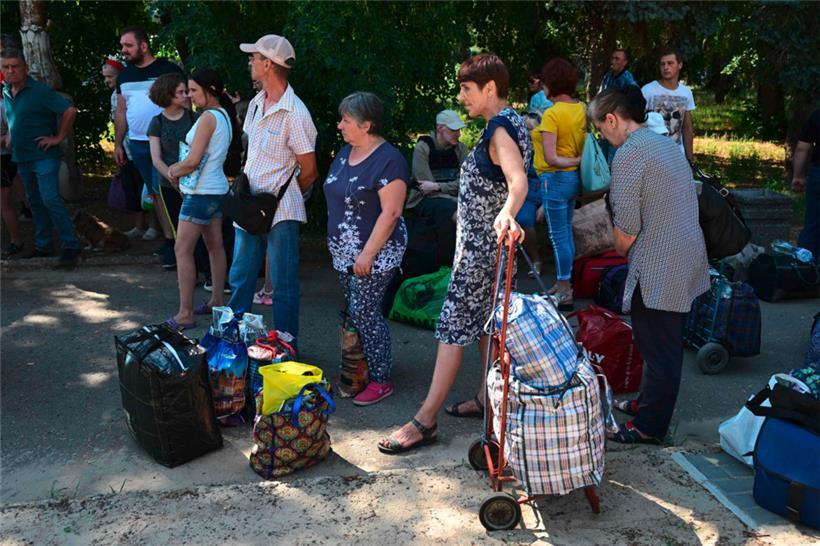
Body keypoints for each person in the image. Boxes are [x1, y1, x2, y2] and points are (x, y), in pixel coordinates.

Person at [379, 53, 532, 454]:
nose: (462, 97)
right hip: (487, 250)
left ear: (490, 89)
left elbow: (518, 183)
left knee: (451, 330)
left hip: (483, 253)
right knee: (487, 328)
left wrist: (504, 213)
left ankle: (424, 421)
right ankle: (486, 399)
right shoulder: (509, 122)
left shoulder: (500, 129)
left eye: (467, 89)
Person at [588, 86, 709, 444]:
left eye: (601, 128)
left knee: (660, 348)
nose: (602, 136)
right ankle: (647, 404)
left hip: (660, 263)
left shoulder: (628, 155)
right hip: (684, 254)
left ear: (612, 119)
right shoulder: (665, 144)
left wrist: (616, 245)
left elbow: (625, 231)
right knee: (658, 340)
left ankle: (649, 427)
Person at [228, 34, 318, 350]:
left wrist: (287, 193)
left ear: (268, 64)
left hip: (281, 209)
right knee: (239, 279)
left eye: (254, 57)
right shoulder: (254, 104)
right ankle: (232, 346)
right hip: (248, 204)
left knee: (282, 286)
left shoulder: (296, 113)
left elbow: (309, 171)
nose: (250, 62)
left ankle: (284, 349)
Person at [325, 92, 409, 406]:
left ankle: (381, 378)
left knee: (364, 312)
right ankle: (357, 371)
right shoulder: (345, 152)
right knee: (354, 312)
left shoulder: (389, 159)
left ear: (367, 124)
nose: (340, 125)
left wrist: (368, 255)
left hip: (375, 254)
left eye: (346, 120)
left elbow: (391, 212)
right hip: (345, 255)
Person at [163, 69, 231, 331]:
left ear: (209, 89)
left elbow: (192, 161)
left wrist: (172, 171)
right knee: (215, 245)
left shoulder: (207, 119)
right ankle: (216, 300)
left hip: (200, 193)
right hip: (216, 190)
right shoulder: (223, 115)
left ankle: (184, 313)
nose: (189, 96)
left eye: (192, 90)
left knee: (182, 250)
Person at [1, 48, 81, 266]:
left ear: (25, 68)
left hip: (44, 155)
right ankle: (43, 245)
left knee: (50, 199)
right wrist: (10, 134)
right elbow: (15, 118)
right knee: (34, 201)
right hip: (22, 156)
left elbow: (70, 111)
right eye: (6, 67)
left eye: (15, 66)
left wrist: (58, 137)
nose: (11, 71)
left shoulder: (39, 91)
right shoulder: (7, 91)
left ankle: (71, 245)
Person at [114, 26, 185, 244]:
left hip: (167, 143)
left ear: (143, 46)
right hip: (137, 144)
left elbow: (186, 103)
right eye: (122, 46)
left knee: (170, 191)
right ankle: (169, 240)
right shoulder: (124, 76)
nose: (124, 50)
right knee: (154, 194)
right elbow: (121, 111)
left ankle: (184, 240)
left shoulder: (168, 69)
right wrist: (118, 144)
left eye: (128, 45)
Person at [532, 57, 586, 310]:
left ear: (551, 83)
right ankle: (566, 282)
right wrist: (578, 161)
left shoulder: (553, 114)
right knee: (565, 231)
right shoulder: (580, 109)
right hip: (574, 179)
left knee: (558, 235)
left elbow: (552, 157)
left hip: (554, 179)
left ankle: (564, 288)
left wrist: (575, 159)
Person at [403, 109, 468, 276]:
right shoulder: (423, 148)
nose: (458, 134)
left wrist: (439, 187)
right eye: (453, 130)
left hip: (448, 198)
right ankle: (449, 267)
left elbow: (467, 182)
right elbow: (425, 189)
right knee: (456, 213)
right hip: (422, 201)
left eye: (459, 130)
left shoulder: (461, 149)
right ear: (440, 129)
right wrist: (452, 194)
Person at [147, 72, 197, 270]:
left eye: (186, 91)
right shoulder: (157, 122)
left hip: (194, 182)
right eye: (181, 92)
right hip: (169, 183)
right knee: (179, 228)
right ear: (168, 94)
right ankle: (186, 269)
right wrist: (173, 176)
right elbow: (156, 158)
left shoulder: (194, 118)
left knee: (199, 228)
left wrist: (185, 174)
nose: (186, 95)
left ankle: (202, 268)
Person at [641, 47, 696, 163]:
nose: (666, 67)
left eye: (670, 63)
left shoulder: (686, 92)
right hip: (651, 155)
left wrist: (690, 158)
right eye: (662, 64)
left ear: (680, 65)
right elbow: (637, 124)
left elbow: (687, 128)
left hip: (676, 155)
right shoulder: (648, 90)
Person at [516, 109, 545, 277]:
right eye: (523, 129)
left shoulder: (547, 147)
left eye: (529, 129)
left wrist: (544, 204)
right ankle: (536, 260)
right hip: (526, 194)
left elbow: (555, 178)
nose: (525, 133)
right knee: (524, 218)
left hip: (546, 192)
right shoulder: (520, 148)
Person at [792, 108, 820, 262]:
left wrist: (798, 176)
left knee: (812, 225)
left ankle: (803, 272)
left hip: (818, 175)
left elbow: (802, 148)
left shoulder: (817, 114)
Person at [0, 80, 23, 258]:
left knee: (4, 203)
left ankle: (16, 241)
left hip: (3, 159)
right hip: (6, 159)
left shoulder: (3, 106)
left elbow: (11, 135)